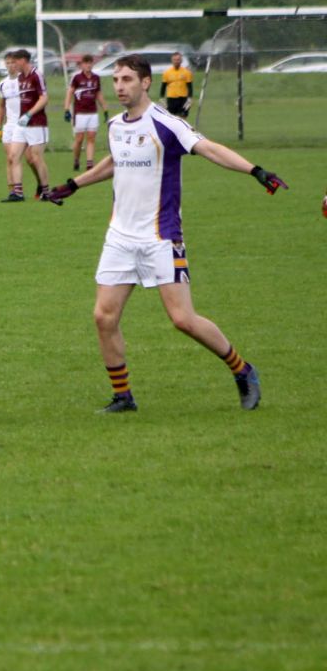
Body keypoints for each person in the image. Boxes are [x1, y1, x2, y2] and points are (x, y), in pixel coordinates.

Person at [42, 54, 286, 413]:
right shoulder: (115, 125)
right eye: (116, 81)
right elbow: (115, 161)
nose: (120, 87)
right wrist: (73, 185)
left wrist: (256, 171)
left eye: (127, 79)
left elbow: (209, 148)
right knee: (103, 317)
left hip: (161, 237)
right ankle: (123, 396)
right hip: (119, 238)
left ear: (145, 82)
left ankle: (243, 370)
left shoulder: (167, 124)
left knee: (183, 320)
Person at [0, 52, 45, 204]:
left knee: (31, 158)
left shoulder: (24, 79)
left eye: (13, 62)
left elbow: (38, 98)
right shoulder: (2, 84)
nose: (11, 65)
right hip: (10, 125)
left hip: (26, 123)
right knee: (11, 158)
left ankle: (41, 184)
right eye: (8, 63)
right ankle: (14, 191)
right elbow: (1, 106)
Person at [63, 53, 109, 172]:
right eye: (86, 63)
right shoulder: (77, 78)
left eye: (90, 63)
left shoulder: (96, 78)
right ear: (82, 65)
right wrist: (67, 109)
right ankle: (76, 160)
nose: (88, 65)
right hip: (80, 113)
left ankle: (89, 164)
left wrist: (105, 109)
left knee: (91, 138)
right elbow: (70, 93)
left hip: (92, 113)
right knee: (79, 139)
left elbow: (99, 94)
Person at [160, 52, 193, 118]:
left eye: (178, 59)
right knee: (171, 118)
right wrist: (162, 98)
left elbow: (190, 86)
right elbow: (163, 86)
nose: (176, 61)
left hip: (183, 99)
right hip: (171, 99)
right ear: (172, 60)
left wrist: (189, 98)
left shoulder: (186, 72)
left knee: (183, 117)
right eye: (174, 60)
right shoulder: (167, 73)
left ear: (181, 60)